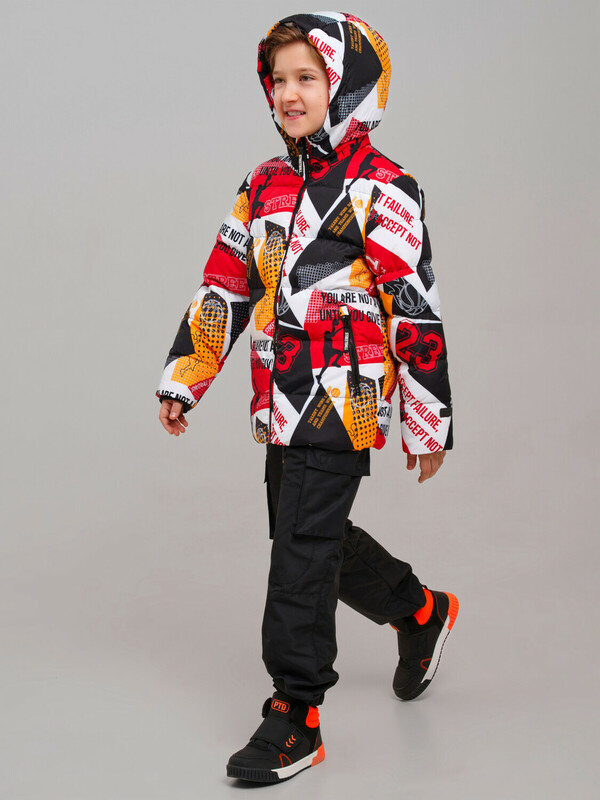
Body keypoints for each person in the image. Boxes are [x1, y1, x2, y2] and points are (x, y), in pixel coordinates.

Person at [157, 12, 458, 784]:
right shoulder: (262, 184)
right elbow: (226, 283)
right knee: (309, 538)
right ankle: (419, 610)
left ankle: (295, 713)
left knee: (298, 551)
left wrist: (426, 419)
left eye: (308, 78)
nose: (289, 94)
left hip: (343, 402)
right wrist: (186, 376)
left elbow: (413, 310)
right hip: (278, 402)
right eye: (279, 80)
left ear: (348, 85)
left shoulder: (386, 189)